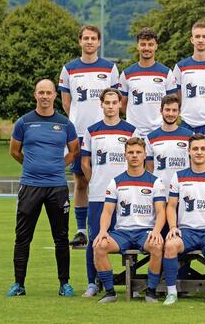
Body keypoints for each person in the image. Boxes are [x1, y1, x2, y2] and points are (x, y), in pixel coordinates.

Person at [7, 79, 79, 297]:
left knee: (61, 237)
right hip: (30, 186)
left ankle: (64, 283)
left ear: (55, 95)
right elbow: (14, 151)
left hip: (57, 187)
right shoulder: (23, 122)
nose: (45, 96)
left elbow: (74, 150)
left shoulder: (65, 123)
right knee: (22, 237)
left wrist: (57, 166)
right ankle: (18, 284)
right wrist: (32, 167)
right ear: (35, 95)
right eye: (41, 92)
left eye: (49, 92)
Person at [58, 25, 119, 247]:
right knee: (81, 181)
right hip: (80, 134)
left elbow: (116, 98)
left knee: (113, 179)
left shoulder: (110, 68)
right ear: (80, 41)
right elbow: (67, 103)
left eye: (93, 38)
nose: (90, 42)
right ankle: (82, 230)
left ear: (99, 42)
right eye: (86, 38)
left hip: (106, 133)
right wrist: (78, 122)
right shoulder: (69, 69)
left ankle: (117, 224)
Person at [93, 137, 166, 303]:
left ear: (144, 155)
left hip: (145, 232)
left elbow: (161, 212)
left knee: (156, 245)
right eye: (131, 152)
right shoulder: (115, 182)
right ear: (125, 155)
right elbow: (107, 212)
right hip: (122, 233)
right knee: (99, 246)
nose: (134, 155)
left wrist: (156, 232)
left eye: (138, 152)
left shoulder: (155, 182)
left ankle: (151, 292)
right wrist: (103, 231)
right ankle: (110, 292)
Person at [80, 88, 137, 297]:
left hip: (127, 195)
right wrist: (95, 181)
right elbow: (85, 162)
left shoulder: (131, 130)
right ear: (101, 104)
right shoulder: (92, 130)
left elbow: (137, 159)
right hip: (98, 195)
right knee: (96, 238)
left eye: (115, 102)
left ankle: (135, 284)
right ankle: (92, 283)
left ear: (121, 105)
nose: (111, 106)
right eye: (107, 102)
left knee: (132, 237)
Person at [162, 134, 205, 305]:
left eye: (202, 149)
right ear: (189, 151)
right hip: (186, 231)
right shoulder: (178, 176)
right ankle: (171, 293)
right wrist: (172, 227)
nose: (199, 152)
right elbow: (170, 206)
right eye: (195, 149)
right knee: (170, 245)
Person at [120, 27, 176, 137]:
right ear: (138, 46)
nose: (146, 48)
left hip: (160, 132)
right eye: (143, 44)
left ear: (156, 46)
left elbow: (172, 103)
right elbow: (122, 105)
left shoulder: (166, 73)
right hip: (134, 133)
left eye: (150, 44)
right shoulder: (127, 74)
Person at [145, 94, 193, 187]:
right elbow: (150, 168)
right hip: (160, 190)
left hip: (183, 189)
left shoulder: (190, 136)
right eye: (167, 110)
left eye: (174, 110)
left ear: (179, 112)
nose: (170, 114)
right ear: (161, 111)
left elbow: (193, 165)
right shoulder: (150, 138)